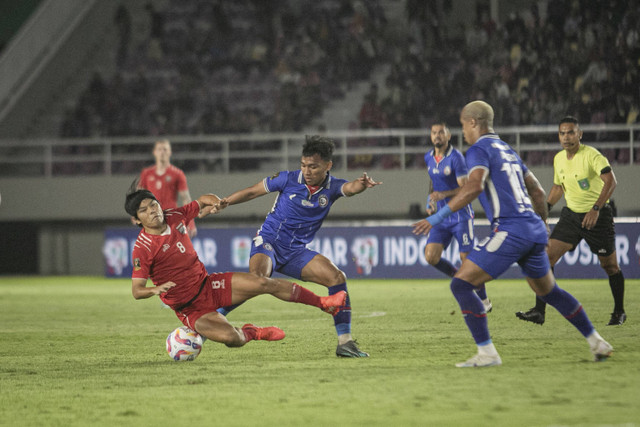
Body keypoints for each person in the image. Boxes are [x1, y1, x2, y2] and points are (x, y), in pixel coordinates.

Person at [413, 101, 613, 367]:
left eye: (463, 124)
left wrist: (438, 216)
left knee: (460, 284)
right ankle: (597, 341)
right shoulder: (508, 150)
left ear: (473, 122)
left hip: (510, 228)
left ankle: (487, 353)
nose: (463, 131)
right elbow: (539, 192)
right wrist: (542, 225)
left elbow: (473, 187)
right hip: (532, 227)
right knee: (549, 291)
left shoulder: (478, 150)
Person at [211, 135, 382, 357]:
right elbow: (253, 191)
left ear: (328, 166)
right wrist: (225, 202)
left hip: (296, 252)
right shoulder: (287, 179)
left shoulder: (332, 188)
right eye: (303, 165)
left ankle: (345, 342)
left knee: (337, 277)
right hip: (269, 241)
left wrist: (360, 185)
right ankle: (209, 321)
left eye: (313, 166)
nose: (307, 171)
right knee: (256, 282)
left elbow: (349, 188)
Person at [125, 188, 347, 350]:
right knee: (233, 339)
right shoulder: (142, 249)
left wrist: (216, 202)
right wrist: (156, 289)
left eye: (153, 204)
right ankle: (253, 332)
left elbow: (202, 201)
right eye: (144, 210)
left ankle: (323, 304)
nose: (152, 211)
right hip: (190, 309)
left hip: (209, 285)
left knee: (262, 282)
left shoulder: (174, 215)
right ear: (137, 220)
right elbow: (137, 290)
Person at [516, 116, 626, 326]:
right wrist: (545, 208)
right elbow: (559, 187)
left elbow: (611, 181)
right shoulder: (558, 158)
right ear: (559, 136)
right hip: (571, 216)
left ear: (579, 134)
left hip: (598, 217)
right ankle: (539, 311)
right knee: (546, 257)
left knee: (610, 266)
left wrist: (596, 208)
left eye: (571, 132)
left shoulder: (591, 155)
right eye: (562, 133)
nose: (566, 137)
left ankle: (619, 311)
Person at [422, 122, 491, 312]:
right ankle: (457, 277)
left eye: (441, 133)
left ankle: (484, 300)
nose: (437, 136)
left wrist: (444, 195)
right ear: (431, 136)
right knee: (431, 256)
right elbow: (433, 181)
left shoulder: (456, 158)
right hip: (442, 218)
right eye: (434, 132)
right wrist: (431, 200)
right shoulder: (428, 157)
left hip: (460, 215)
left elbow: (465, 187)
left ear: (448, 136)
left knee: (466, 258)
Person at [138, 139, 197, 238]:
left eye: (165, 149)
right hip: (152, 219)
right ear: (154, 152)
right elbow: (139, 196)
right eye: (160, 149)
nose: (162, 152)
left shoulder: (177, 174)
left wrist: (190, 222)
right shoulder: (146, 173)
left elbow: (186, 199)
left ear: (170, 152)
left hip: (171, 220)